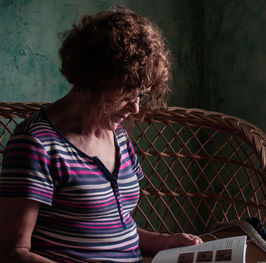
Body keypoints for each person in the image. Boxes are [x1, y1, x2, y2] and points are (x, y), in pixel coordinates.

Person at [0, 7, 202, 263]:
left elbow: (112, 230)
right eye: (127, 96)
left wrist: (164, 241)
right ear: (95, 81)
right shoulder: (36, 143)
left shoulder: (117, 136)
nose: (136, 107)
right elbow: (12, 252)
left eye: (140, 95)